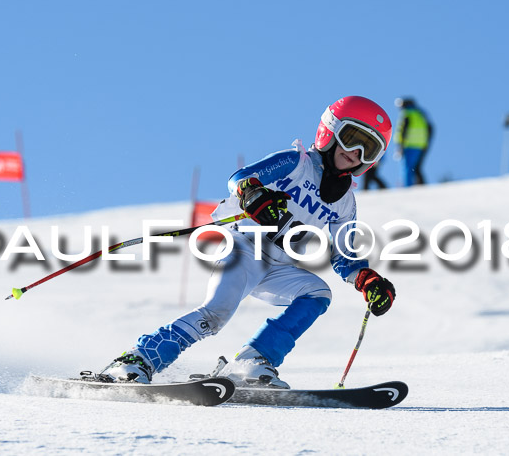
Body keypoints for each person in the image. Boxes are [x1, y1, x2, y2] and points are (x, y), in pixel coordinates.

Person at [102, 96, 397, 388]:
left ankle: (252, 361)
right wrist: (255, 195)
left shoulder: (345, 203)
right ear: (329, 131)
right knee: (217, 312)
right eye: (351, 138)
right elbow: (241, 178)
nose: (355, 152)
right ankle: (138, 359)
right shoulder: (296, 163)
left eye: (368, 149)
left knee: (318, 293)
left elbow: (344, 253)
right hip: (244, 247)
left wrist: (366, 279)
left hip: (279, 265)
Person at [394, 97, 433, 186]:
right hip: (420, 146)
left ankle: (408, 187)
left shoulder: (406, 114)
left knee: (407, 168)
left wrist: (400, 145)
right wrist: (426, 143)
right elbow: (430, 128)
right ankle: (422, 185)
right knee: (416, 167)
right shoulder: (421, 114)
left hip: (408, 145)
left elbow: (403, 130)